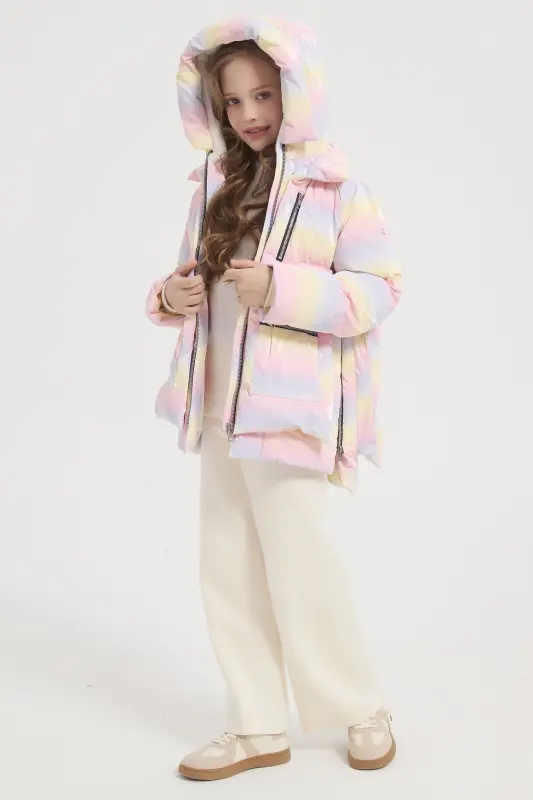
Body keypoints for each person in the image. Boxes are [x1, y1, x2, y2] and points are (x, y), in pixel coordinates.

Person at [145, 16, 402, 782]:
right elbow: (187, 281)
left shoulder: (337, 188)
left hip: (288, 408)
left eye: (263, 94)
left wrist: (283, 290)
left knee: (301, 564)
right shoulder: (214, 186)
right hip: (217, 405)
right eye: (232, 101)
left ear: (297, 90)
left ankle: (359, 706)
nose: (249, 113)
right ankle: (255, 723)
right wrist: (169, 296)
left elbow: (378, 291)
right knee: (225, 565)